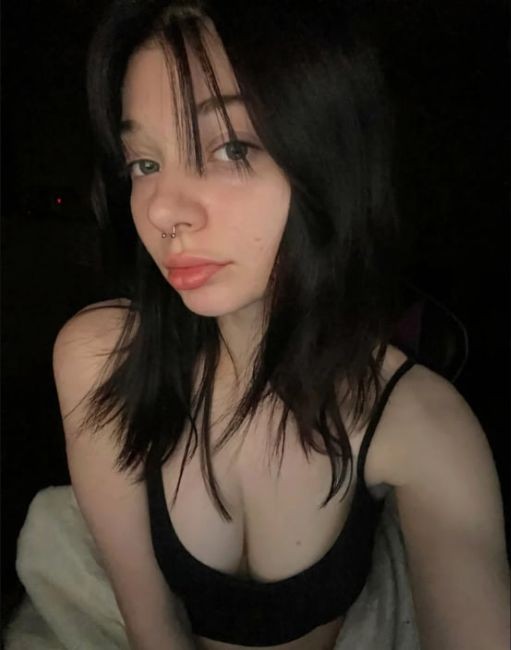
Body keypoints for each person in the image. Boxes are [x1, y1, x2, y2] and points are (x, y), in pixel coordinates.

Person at [52, 1, 510, 649]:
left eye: (230, 148)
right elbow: (150, 621)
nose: (162, 212)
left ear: (329, 159)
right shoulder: (102, 358)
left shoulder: (422, 424)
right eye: (144, 164)